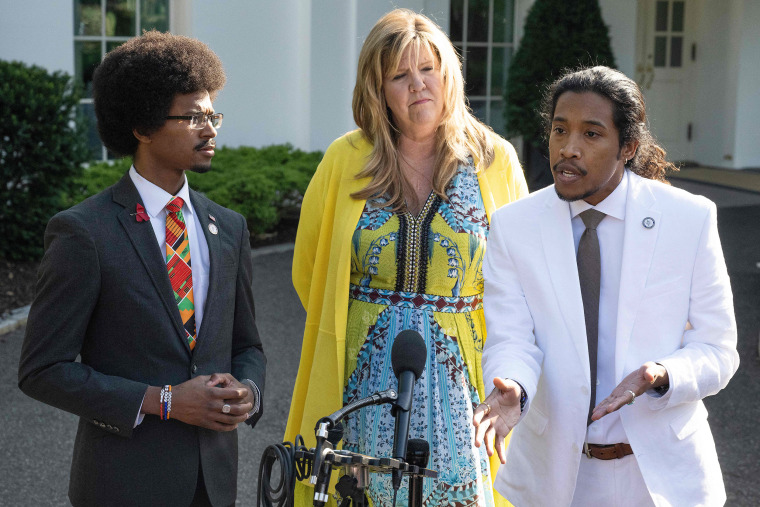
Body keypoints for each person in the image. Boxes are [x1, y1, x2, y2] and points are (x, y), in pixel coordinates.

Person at [284, 8, 528, 507]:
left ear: (448, 75)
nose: (418, 85)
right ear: (378, 91)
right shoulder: (345, 159)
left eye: (428, 69)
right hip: (362, 375)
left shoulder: (494, 159)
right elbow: (309, 268)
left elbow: (526, 277)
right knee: (357, 491)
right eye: (399, 75)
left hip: (464, 378)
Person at [18, 31, 266, 507]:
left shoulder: (229, 228)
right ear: (143, 126)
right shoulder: (83, 233)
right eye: (193, 116)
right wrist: (164, 400)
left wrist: (249, 391)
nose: (210, 128)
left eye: (212, 115)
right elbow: (42, 369)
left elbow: (247, 344)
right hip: (121, 485)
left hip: (213, 484)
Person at [473, 65, 739, 506]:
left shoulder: (689, 220)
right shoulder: (513, 227)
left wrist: (663, 373)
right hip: (557, 477)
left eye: (591, 134)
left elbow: (718, 349)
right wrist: (513, 389)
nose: (568, 149)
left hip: (659, 478)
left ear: (628, 146)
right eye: (560, 130)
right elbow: (511, 338)